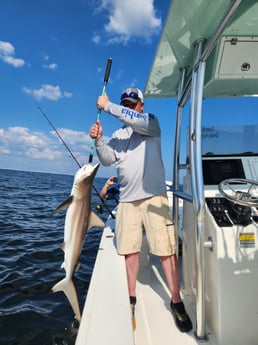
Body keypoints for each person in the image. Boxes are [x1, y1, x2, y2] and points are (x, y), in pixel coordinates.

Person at [89, 87, 192, 332]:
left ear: (140, 106)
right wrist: (100, 139)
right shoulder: (118, 134)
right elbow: (106, 159)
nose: (128, 107)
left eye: (131, 104)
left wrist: (109, 105)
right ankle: (132, 298)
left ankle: (176, 300)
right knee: (129, 250)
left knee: (166, 250)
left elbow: (131, 118)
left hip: (154, 197)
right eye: (125, 103)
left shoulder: (151, 123)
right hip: (126, 200)